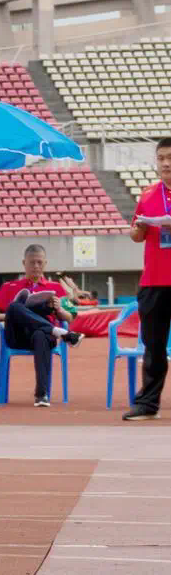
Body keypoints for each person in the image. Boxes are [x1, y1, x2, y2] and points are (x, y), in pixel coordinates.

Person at [0, 244, 83, 407]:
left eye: (39, 262)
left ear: (45, 263)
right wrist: (10, 315)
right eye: (32, 262)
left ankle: (41, 394)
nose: (36, 266)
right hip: (18, 336)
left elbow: (69, 318)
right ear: (24, 263)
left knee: (40, 335)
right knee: (15, 307)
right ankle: (62, 333)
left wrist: (58, 308)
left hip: (43, 337)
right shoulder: (10, 286)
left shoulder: (56, 288)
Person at [123, 136, 171, 421]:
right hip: (154, 282)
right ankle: (147, 404)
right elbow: (136, 235)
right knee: (153, 345)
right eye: (162, 158)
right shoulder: (147, 195)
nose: (166, 164)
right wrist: (141, 227)